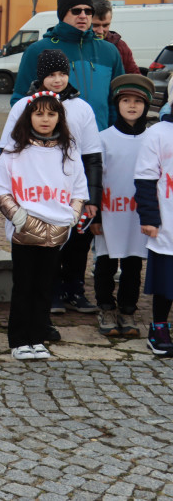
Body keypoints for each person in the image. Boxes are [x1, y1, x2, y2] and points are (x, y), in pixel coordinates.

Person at [2, 49, 103, 329]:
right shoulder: (24, 106)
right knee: (36, 266)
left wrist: (91, 198)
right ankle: (40, 316)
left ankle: (73, 290)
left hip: (69, 192)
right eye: (51, 75)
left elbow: (92, 155)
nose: (57, 80)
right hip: (32, 199)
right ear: (41, 77)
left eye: (62, 74)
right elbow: (8, 153)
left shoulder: (82, 108)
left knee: (74, 248)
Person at [0, 91, 88, 360]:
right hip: (25, 227)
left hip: (56, 228)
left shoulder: (68, 151)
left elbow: (79, 187)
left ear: (59, 118)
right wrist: (17, 215)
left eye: (51, 114)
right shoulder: (14, 152)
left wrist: (73, 214)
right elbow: (0, 187)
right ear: (28, 116)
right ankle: (19, 339)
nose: (45, 119)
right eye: (39, 113)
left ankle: (37, 337)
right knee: (23, 285)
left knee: (46, 285)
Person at [11, 0, 124, 131]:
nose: (83, 15)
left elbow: (117, 100)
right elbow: (20, 99)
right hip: (55, 143)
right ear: (63, 14)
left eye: (88, 11)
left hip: (99, 138)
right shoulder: (38, 50)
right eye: (76, 11)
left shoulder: (109, 51)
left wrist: (113, 133)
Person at [93, 74, 153, 337]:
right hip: (109, 211)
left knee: (133, 263)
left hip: (138, 214)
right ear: (116, 104)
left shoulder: (152, 138)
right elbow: (94, 178)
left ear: (146, 106)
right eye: (126, 100)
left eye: (138, 101)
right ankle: (106, 307)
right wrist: (93, 214)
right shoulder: (103, 138)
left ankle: (128, 310)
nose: (131, 106)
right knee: (105, 262)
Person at [134, 98, 173, 356]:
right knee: (166, 281)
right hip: (168, 222)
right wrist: (149, 218)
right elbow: (145, 178)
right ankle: (158, 326)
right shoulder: (157, 134)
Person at [92, 0, 142, 76]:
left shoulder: (120, 46)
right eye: (95, 25)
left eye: (105, 25)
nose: (101, 31)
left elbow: (134, 76)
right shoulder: (76, 45)